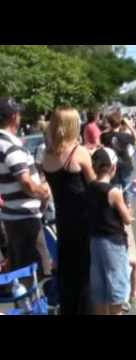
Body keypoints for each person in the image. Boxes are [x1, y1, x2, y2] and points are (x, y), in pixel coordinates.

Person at [42, 107, 97, 314]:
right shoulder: (79, 153)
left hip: (63, 219)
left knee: (68, 269)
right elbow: (94, 187)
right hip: (83, 219)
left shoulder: (45, 156)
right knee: (85, 272)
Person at [0, 97, 52, 285]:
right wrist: (43, 192)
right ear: (14, 117)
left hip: (11, 215)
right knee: (37, 272)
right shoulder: (11, 146)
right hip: (25, 217)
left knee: (21, 271)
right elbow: (27, 183)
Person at [88, 147, 134, 315]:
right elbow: (126, 219)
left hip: (94, 240)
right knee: (116, 286)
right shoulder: (113, 192)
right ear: (113, 167)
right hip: (113, 242)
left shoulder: (90, 187)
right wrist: (129, 209)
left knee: (99, 287)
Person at [101, 112, 136, 207]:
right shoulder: (125, 136)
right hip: (125, 163)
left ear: (110, 123)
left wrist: (110, 127)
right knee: (127, 184)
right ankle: (128, 204)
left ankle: (118, 204)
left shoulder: (105, 136)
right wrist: (129, 126)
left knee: (115, 185)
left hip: (112, 164)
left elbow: (101, 138)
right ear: (120, 122)